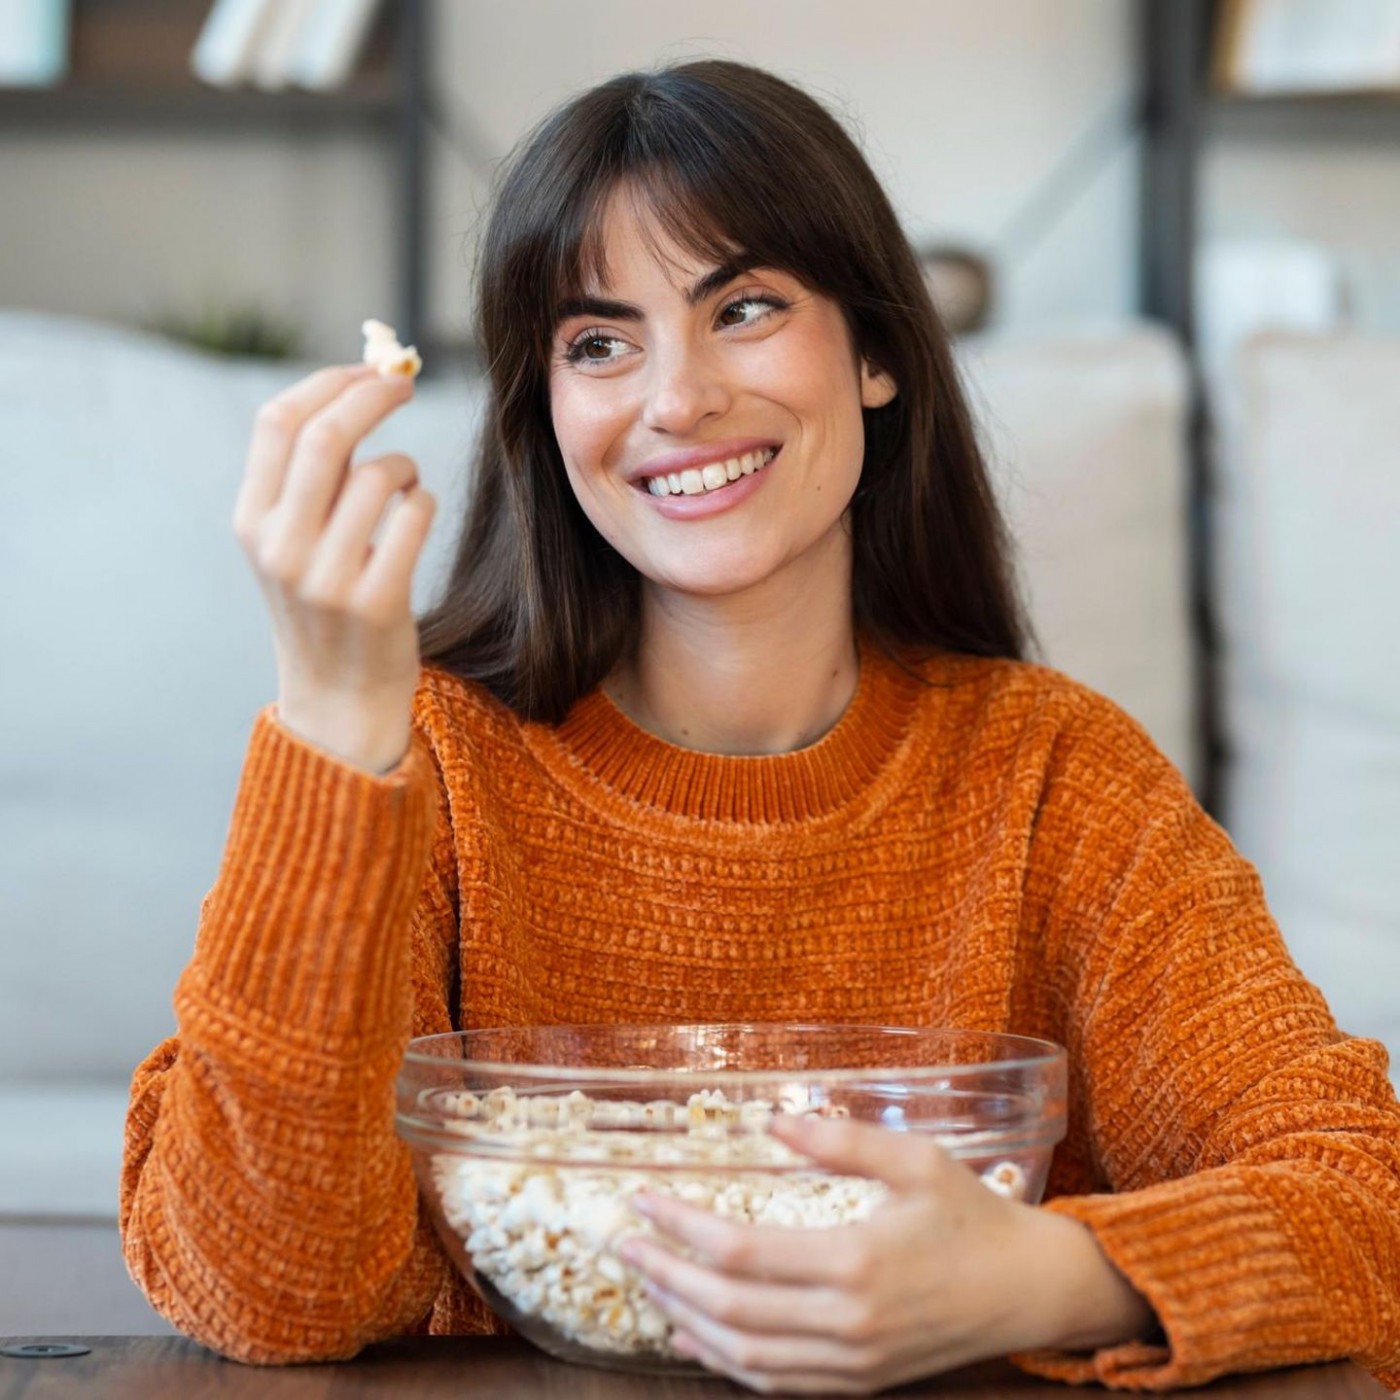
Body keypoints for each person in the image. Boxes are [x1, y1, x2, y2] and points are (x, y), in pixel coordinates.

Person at [119, 58, 1400, 1395]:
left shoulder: (1056, 777)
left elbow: (1364, 1199)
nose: (677, 400)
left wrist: (1035, 1278)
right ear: (546, 415)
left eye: (742, 308)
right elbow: (270, 1287)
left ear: (880, 353)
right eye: (599, 341)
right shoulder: (426, 759)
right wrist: (329, 723)